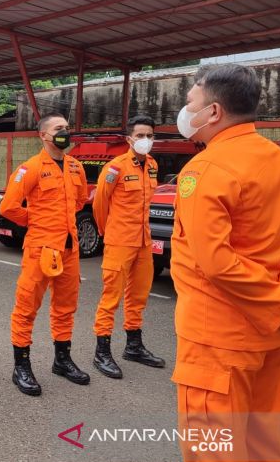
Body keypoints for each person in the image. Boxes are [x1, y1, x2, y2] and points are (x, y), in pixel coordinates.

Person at [170, 64, 280, 461]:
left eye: (190, 101)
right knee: (262, 443)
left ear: (214, 112)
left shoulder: (205, 169)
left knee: (214, 450)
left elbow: (216, 263)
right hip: (271, 334)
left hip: (216, 341)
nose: (185, 109)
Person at [0, 113, 90, 396]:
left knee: (65, 307)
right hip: (41, 248)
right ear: (43, 136)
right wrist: (37, 220)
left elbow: (79, 201)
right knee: (27, 308)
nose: (64, 132)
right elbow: (8, 207)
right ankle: (21, 366)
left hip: (69, 249)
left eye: (66, 127)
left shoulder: (76, 166)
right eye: (57, 129)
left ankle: (62, 360)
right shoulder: (31, 168)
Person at [91, 114, 165, 379]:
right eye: (140, 135)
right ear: (128, 139)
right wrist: (106, 231)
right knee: (111, 297)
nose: (145, 140)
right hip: (120, 241)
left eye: (150, 135)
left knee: (139, 296)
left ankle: (133, 347)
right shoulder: (115, 168)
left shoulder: (153, 165)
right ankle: (102, 352)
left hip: (144, 242)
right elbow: (100, 203)